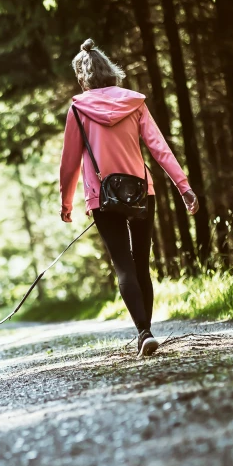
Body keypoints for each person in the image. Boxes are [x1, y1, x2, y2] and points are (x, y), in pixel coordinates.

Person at [59, 38, 199, 357]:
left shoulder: (78, 110)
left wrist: (66, 203)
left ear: (83, 78)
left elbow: (69, 163)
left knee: (123, 265)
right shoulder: (135, 103)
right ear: (110, 71)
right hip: (140, 193)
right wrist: (183, 186)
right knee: (141, 265)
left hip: (102, 197)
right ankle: (146, 332)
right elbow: (158, 147)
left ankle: (144, 332)